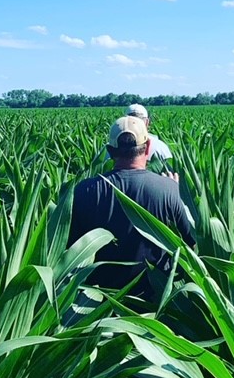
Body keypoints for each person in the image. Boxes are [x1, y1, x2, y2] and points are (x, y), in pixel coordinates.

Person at [69, 115, 194, 298]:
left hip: (95, 303)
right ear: (148, 147)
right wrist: (174, 190)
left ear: (110, 151)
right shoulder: (169, 189)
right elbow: (191, 243)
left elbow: (70, 250)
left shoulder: (82, 191)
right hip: (155, 302)